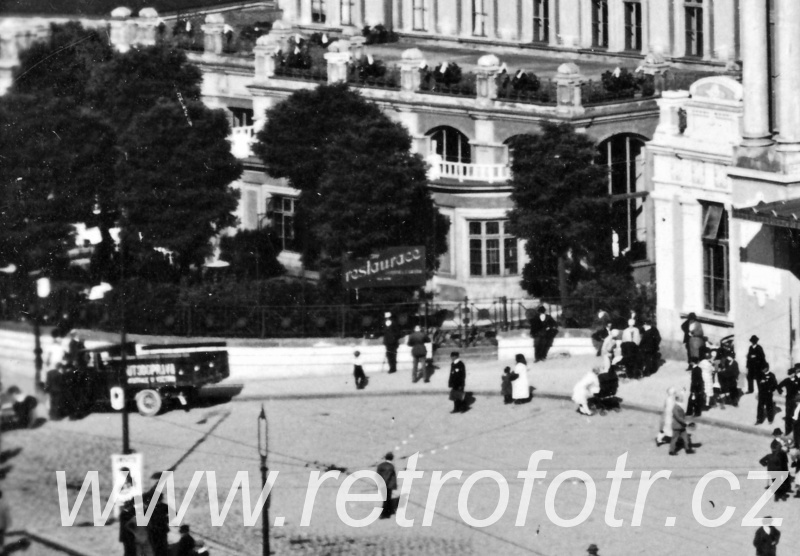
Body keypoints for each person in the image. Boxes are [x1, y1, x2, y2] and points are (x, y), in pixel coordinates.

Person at [669, 390, 695, 455]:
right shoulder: (675, 408)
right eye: (681, 398)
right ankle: (671, 451)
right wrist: (686, 423)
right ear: (678, 399)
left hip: (681, 426)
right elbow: (678, 417)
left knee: (686, 438)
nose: (682, 399)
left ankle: (687, 449)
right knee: (675, 438)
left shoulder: (679, 406)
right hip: (677, 426)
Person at [777, 365, 800, 435]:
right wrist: (782, 393)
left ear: (794, 373)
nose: (791, 375)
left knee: (796, 415)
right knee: (788, 414)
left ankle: (796, 430)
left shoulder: (798, 380)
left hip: (796, 399)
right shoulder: (787, 380)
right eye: (790, 374)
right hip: (789, 399)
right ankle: (788, 430)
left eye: (792, 373)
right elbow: (778, 386)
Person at [376, 452, 397, 519]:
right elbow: (388, 476)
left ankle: (389, 511)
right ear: (392, 458)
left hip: (382, 485)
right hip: (388, 485)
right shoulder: (391, 466)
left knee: (385, 499)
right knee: (387, 499)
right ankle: (386, 514)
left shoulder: (380, 465)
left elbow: (377, 475)